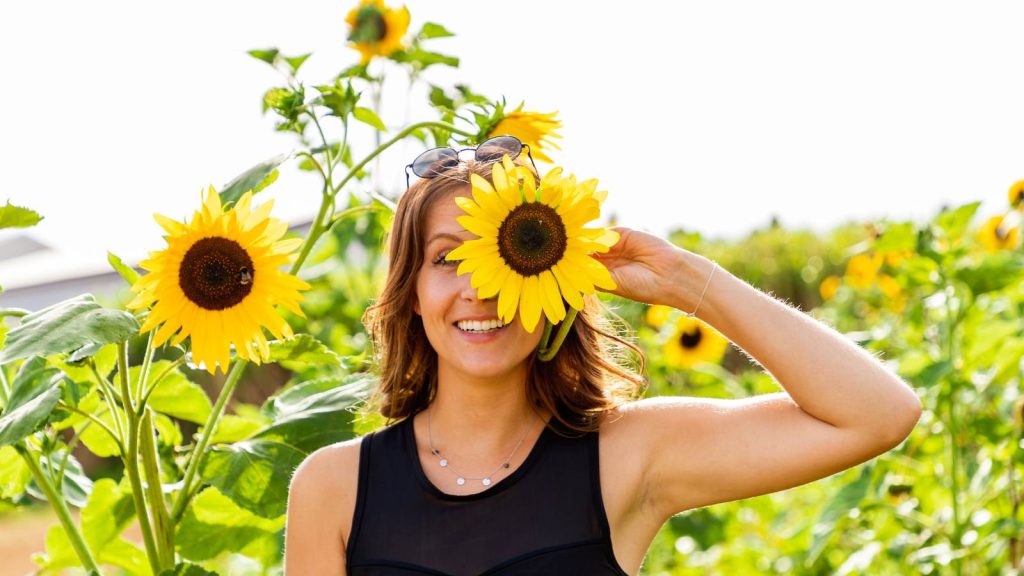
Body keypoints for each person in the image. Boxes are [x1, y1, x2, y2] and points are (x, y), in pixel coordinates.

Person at [283, 140, 923, 576]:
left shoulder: (629, 455)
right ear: (413, 294)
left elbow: (878, 415)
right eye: (448, 258)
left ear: (558, 283)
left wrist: (683, 279)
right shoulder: (333, 489)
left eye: (504, 255)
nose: (479, 286)